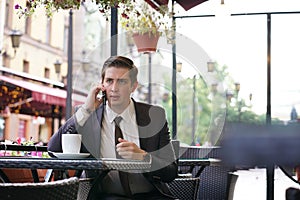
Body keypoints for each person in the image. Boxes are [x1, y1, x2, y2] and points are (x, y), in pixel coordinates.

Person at [48, 56, 178, 200]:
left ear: (133, 86)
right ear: (101, 84)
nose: (114, 88)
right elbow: (54, 149)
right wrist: (86, 110)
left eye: (122, 81)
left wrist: (143, 157)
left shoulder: (154, 116)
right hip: (105, 197)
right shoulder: (87, 116)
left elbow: (170, 172)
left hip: (151, 196)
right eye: (109, 81)